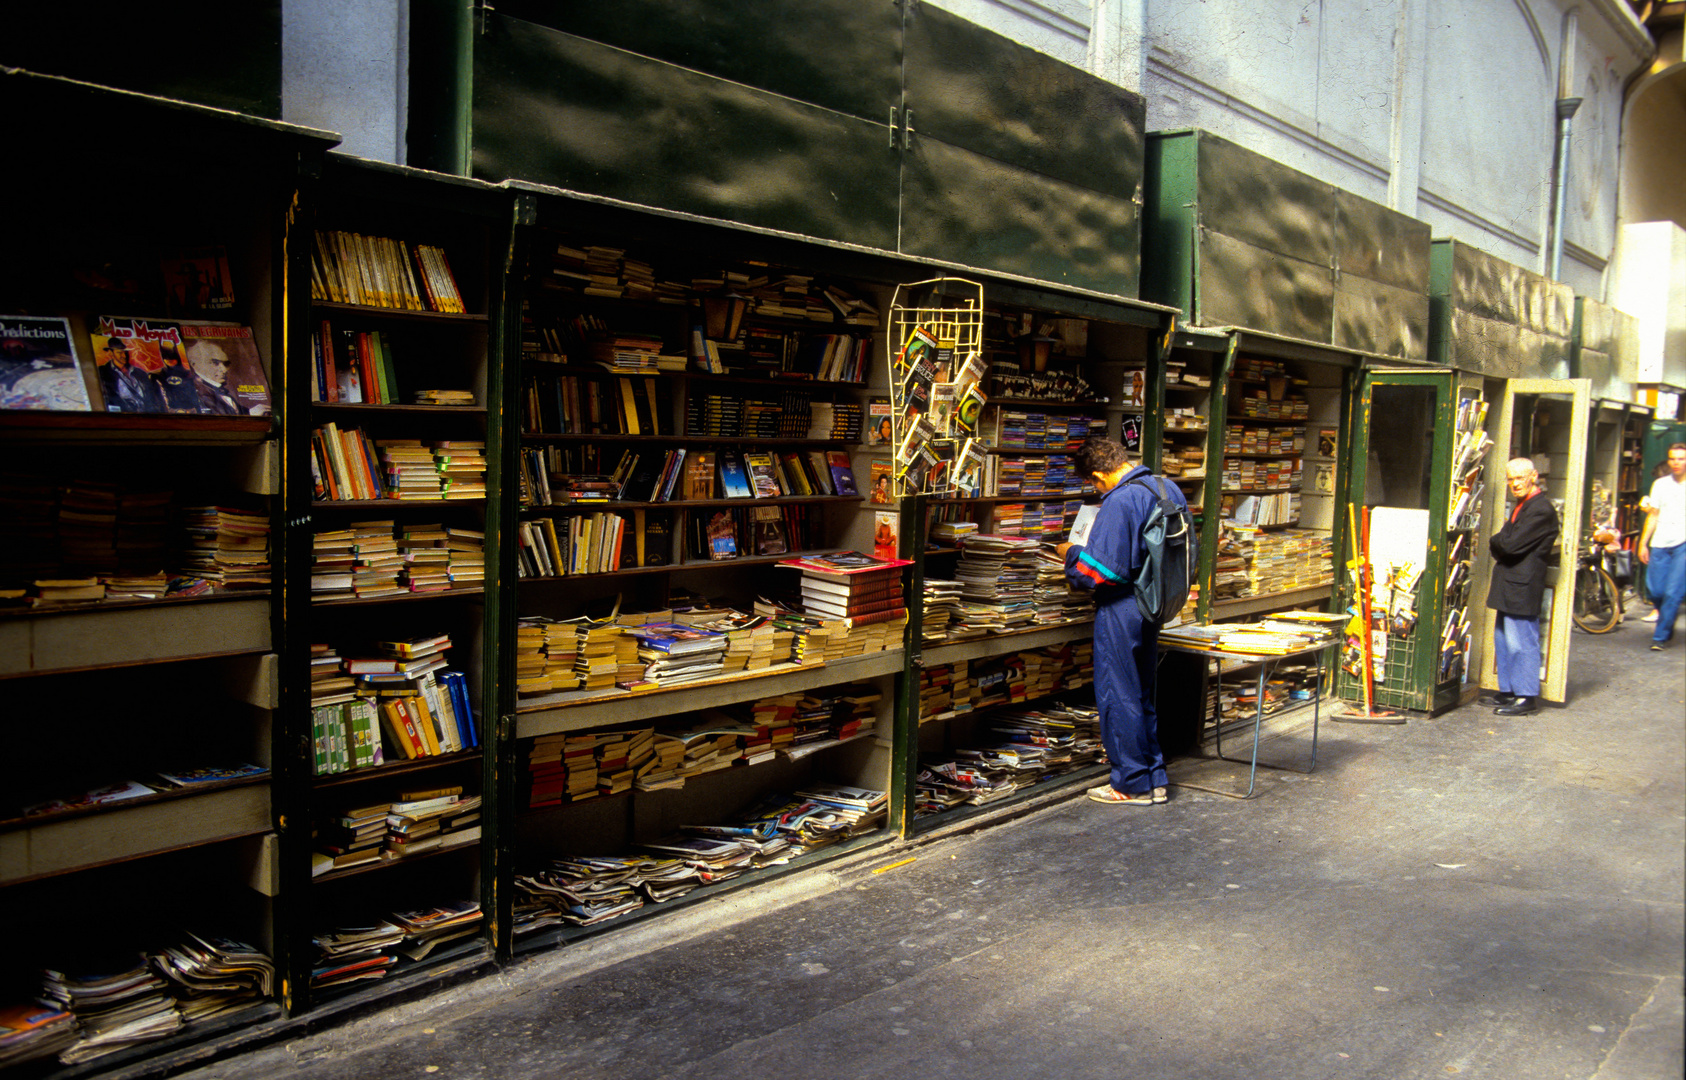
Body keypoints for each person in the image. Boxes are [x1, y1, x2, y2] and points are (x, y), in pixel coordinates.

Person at [1056, 436, 1187, 805]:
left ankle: (1130, 783)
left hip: (1121, 606)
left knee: (1118, 693)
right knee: (1141, 691)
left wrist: (1072, 553)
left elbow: (1099, 572)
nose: (1096, 491)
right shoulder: (1166, 486)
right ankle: (1154, 777)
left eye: (1093, 484)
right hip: (1155, 603)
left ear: (1099, 475)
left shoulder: (1120, 500)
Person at [1482, 457, 1560, 716]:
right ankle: (1509, 691)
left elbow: (1509, 545)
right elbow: (1505, 542)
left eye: (1520, 478)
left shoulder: (1540, 509)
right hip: (1511, 582)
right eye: (1510, 478)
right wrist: (1501, 542)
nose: (1514, 484)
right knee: (1504, 639)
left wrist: (1499, 541)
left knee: (1521, 641)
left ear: (1534, 476)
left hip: (1522, 585)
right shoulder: (1524, 505)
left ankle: (1526, 696)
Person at [1637, 442, 1686, 651]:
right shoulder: (1660, 484)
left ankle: (1660, 636)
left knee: (1672, 592)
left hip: (1683, 543)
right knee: (1656, 591)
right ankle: (1666, 616)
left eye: (1681, 458)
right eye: (1673, 458)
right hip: (1660, 542)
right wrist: (1643, 543)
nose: (1676, 462)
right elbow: (1653, 515)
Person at [184, 339, 243, 415]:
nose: (224, 370)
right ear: (194, 364)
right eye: (215, 363)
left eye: (226, 364)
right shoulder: (193, 391)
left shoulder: (220, 390)